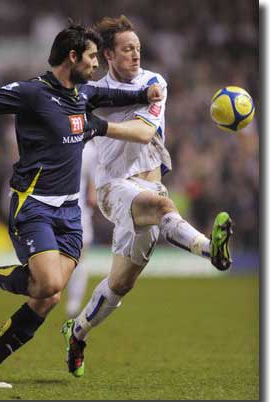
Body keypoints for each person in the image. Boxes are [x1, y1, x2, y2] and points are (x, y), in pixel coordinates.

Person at [0, 23, 164, 388]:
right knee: (45, 284)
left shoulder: (83, 94)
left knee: (49, 294)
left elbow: (113, 97)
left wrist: (145, 92)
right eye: (92, 56)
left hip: (70, 213)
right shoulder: (31, 93)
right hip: (34, 205)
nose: (96, 64)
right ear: (72, 57)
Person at [61, 16, 233, 378]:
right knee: (162, 207)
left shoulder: (155, 83)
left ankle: (76, 333)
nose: (136, 54)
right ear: (108, 54)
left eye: (138, 47)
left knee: (121, 284)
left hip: (150, 185)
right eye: (127, 49)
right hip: (114, 187)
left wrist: (100, 126)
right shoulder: (93, 91)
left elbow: (142, 133)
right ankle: (211, 251)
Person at [66, 139, 97, 317]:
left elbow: (93, 183)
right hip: (62, 208)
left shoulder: (90, 150)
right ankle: (72, 301)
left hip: (78, 210)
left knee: (79, 256)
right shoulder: (89, 149)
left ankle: (74, 301)